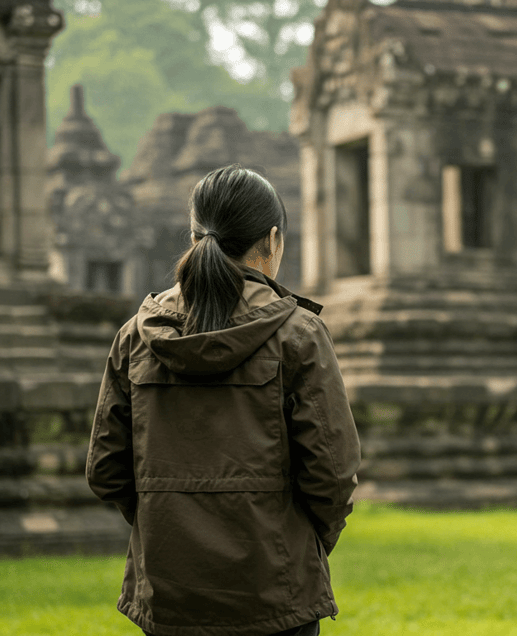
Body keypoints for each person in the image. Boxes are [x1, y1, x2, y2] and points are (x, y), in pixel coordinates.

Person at [86, 164, 361, 636]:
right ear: (273, 240)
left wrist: (167, 522)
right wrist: (295, 544)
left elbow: (107, 470)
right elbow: (332, 475)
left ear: (195, 236)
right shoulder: (298, 335)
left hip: (168, 595)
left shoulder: (136, 337)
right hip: (276, 592)